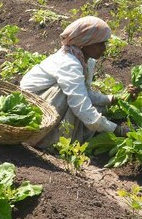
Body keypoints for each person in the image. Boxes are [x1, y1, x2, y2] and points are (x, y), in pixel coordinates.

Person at [20, 16, 136, 148]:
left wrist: (113, 99)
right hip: (33, 106)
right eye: (99, 44)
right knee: (65, 94)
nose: (104, 48)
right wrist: (117, 130)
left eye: (105, 43)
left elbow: (84, 93)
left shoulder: (86, 60)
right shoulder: (69, 63)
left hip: (45, 102)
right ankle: (48, 140)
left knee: (97, 108)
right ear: (85, 42)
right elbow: (80, 104)